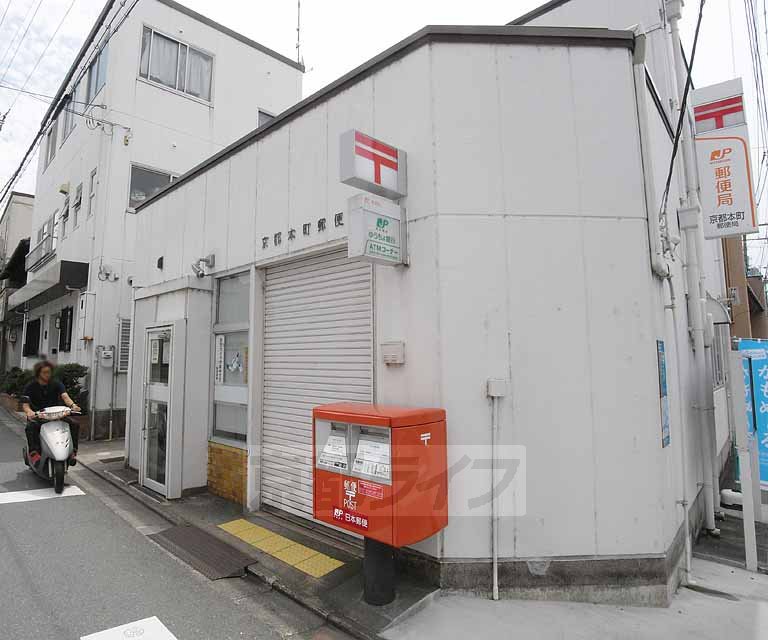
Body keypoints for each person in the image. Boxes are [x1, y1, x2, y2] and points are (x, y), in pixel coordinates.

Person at [22, 361, 81, 467]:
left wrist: (73, 406)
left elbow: (65, 396)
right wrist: (29, 412)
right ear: (39, 373)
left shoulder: (56, 383)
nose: (47, 375)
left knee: (74, 424)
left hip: (56, 415)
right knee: (30, 427)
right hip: (39, 416)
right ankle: (33, 453)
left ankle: (73, 452)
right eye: (44, 372)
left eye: (49, 372)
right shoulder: (31, 386)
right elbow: (25, 404)